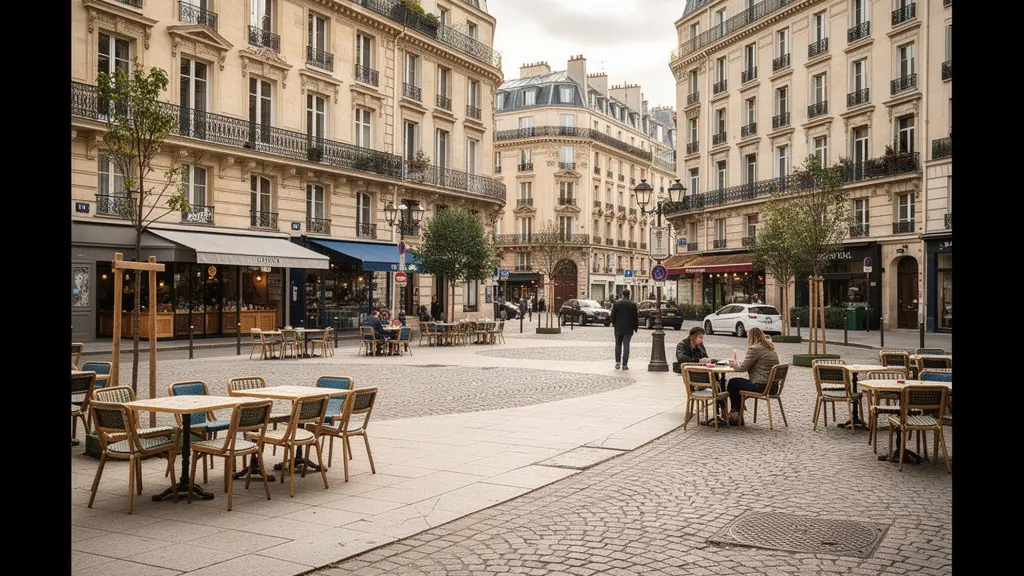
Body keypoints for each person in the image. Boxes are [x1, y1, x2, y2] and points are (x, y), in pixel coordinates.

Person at [726, 327, 781, 425]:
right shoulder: (770, 348)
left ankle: (736, 415)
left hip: (761, 386)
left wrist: (731, 363)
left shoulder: (755, 348)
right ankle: (738, 413)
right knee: (737, 384)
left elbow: (742, 368)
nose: (747, 339)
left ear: (751, 337)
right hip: (773, 387)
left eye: (748, 336)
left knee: (733, 383)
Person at [610, 288, 639, 370]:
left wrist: (614, 324)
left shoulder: (617, 303)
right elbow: (635, 317)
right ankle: (625, 365)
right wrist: (635, 327)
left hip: (618, 328)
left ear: (622, 294)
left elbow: (613, 316)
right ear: (629, 294)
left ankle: (618, 362)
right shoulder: (633, 304)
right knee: (626, 345)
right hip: (628, 328)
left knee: (618, 345)